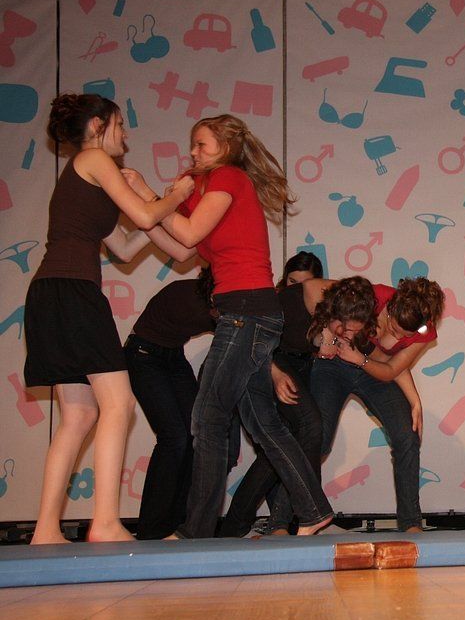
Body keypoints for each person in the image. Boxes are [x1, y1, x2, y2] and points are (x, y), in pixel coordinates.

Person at [136, 114, 333, 538]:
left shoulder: (228, 177)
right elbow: (182, 249)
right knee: (262, 423)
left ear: (225, 148)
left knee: (208, 417)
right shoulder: (210, 190)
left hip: (247, 312)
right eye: (192, 144)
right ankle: (314, 510)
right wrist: (150, 209)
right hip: (248, 313)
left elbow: (189, 233)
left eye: (201, 145)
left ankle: (196, 530)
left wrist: (152, 197)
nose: (193, 152)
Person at [25, 93, 193, 544]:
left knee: (79, 415)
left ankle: (45, 529)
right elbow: (143, 213)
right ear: (99, 126)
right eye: (121, 124)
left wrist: (159, 213)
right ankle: (104, 522)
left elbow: (123, 246)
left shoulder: (89, 172)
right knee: (119, 404)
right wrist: (173, 195)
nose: (126, 134)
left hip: (54, 293)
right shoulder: (93, 158)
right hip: (72, 291)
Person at [311, 277, 444, 533]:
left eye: (405, 335)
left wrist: (415, 401)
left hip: (373, 369)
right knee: (318, 439)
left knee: (407, 435)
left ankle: (411, 523)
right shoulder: (375, 295)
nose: (396, 336)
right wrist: (327, 331)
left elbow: (392, 369)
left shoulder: (425, 332)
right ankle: (282, 521)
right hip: (334, 365)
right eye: (393, 327)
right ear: (391, 307)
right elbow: (319, 292)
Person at [219, 253, 326, 538]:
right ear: (283, 280)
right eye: (292, 281)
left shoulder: (321, 305)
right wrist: (275, 373)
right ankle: (294, 518)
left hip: (301, 367)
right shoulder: (275, 301)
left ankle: (242, 526)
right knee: (305, 431)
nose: (297, 288)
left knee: (277, 451)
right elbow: (256, 339)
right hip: (272, 364)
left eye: (305, 283)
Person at [125, 267, 216, 540]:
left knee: (194, 435)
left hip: (172, 357)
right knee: (174, 438)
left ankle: (176, 524)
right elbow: (230, 325)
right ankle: (151, 529)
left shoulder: (211, 302)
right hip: (142, 354)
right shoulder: (192, 299)